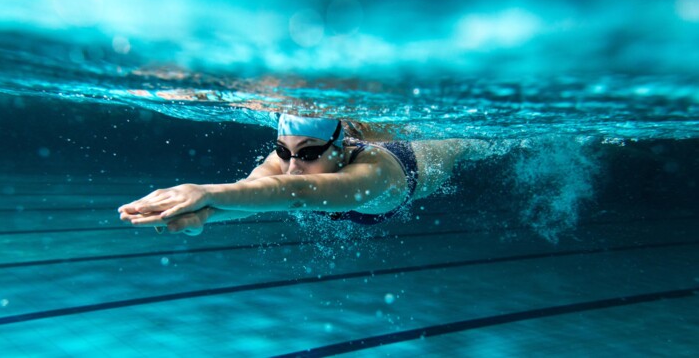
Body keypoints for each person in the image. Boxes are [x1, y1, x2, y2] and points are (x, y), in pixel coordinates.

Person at [118, 114, 470, 235]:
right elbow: (253, 193)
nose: (291, 166)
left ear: (341, 147)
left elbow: (298, 192)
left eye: (309, 153)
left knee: (468, 141)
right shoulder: (289, 161)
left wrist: (203, 192)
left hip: (422, 157)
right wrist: (203, 216)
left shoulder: (374, 173)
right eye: (284, 152)